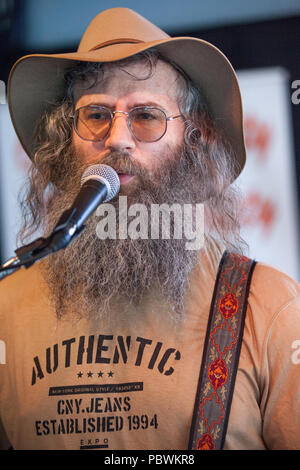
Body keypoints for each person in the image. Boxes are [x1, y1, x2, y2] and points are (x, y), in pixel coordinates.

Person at [0, 7, 300, 451]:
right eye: (96, 115)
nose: (118, 138)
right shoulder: (6, 307)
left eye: (146, 116)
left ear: (194, 142)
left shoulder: (268, 307)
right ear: (65, 143)